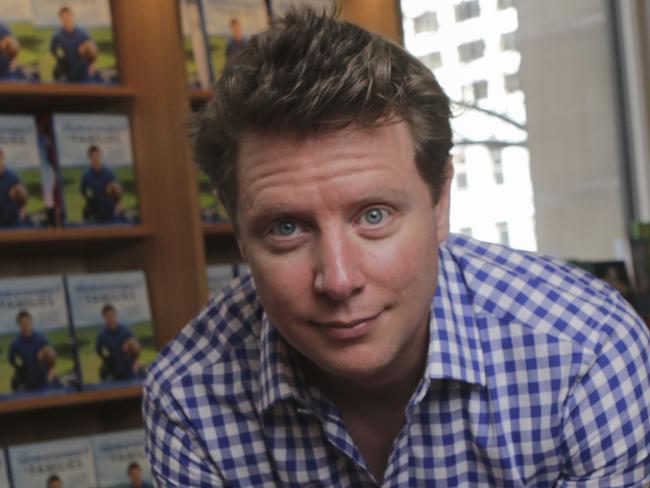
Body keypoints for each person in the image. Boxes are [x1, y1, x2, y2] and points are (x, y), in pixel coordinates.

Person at [143, 8, 650, 486]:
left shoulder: (585, 351)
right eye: (287, 228)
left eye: (373, 216)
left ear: (440, 204)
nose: (339, 280)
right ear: (238, 231)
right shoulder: (189, 398)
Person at [8, 310, 55, 391]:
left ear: (31, 322)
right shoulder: (15, 342)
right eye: (22, 323)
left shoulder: (41, 338)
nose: (25, 325)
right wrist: (19, 369)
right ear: (18, 324)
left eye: (27, 322)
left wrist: (51, 370)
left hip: (43, 379)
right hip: (27, 380)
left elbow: (51, 355)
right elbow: (11, 359)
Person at [49, 6, 98, 82]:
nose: (66, 19)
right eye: (63, 17)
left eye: (68, 16)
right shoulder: (57, 36)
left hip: (82, 72)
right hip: (67, 72)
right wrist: (60, 59)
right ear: (60, 18)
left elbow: (93, 51)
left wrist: (91, 65)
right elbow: (53, 50)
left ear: (72, 16)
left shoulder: (83, 34)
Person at [95, 304, 142, 381]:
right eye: (107, 316)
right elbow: (99, 351)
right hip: (114, 372)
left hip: (129, 370)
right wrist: (106, 361)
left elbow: (136, 348)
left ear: (115, 314)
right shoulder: (102, 335)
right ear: (104, 317)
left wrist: (136, 362)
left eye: (112, 315)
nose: (110, 318)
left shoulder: (125, 331)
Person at [80, 145, 122, 223]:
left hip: (110, 211)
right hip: (95, 212)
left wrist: (118, 203)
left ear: (100, 155)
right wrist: (89, 200)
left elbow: (118, 191)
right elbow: (82, 191)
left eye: (97, 156)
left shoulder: (109, 173)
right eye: (93, 157)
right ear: (89, 158)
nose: (95, 159)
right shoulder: (87, 175)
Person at [0, 146, 31, 227]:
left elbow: (23, 204)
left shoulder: (13, 178)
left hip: (14, 224)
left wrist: (23, 212)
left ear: (3, 158)